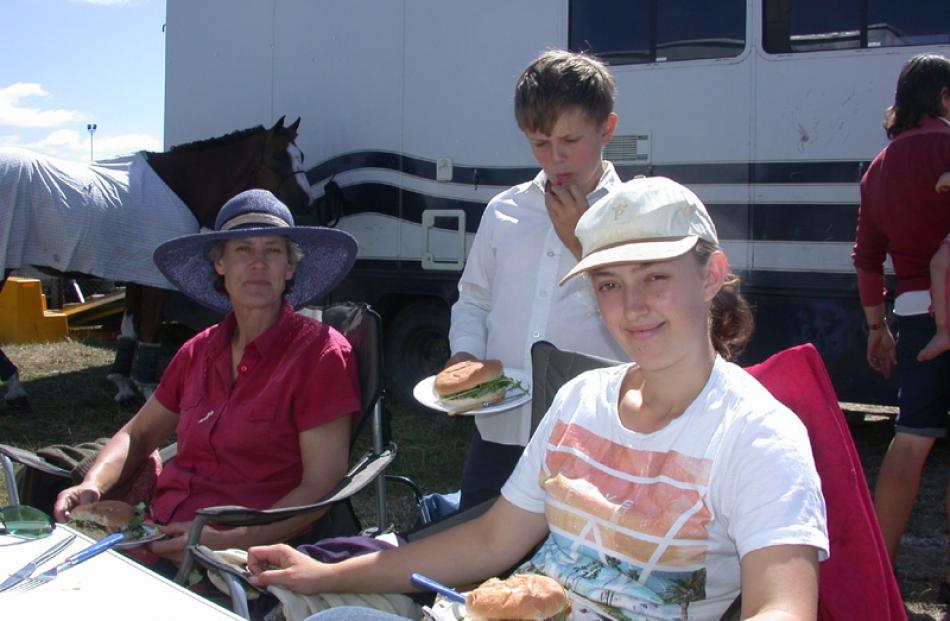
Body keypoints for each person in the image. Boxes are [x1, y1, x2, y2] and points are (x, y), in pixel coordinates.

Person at [247, 177, 828, 621]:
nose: (631, 308)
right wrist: (323, 572)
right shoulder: (581, 400)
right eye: (608, 284)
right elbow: (491, 539)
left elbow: (783, 606)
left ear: (710, 276)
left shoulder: (755, 433)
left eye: (655, 277)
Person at [53, 189, 362, 567]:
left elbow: (321, 484)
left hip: (242, 556)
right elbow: (138, 434)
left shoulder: (320, 354)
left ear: (290, 268)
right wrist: (93, 484)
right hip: (153, 530)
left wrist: (231, 540)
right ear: (220, 265)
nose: (258, 264)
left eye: (273, 251)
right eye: (243, 250)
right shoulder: (197, 351)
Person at [446, 49, 628, 511]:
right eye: (540, 143)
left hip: (594, 439)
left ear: (606, 128)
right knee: (477, 559)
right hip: (500, 430)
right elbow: (475, 298)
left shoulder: (634, 215)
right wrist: (464, 354)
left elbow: (642, 319)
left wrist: (581, 244)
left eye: (570, 140)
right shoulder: (504, 211)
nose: (556, 158)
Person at [851, 52, 950, 598]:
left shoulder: (880, 168)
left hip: (912, 313)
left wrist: (875, 328)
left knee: (910, 440)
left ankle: (878, 574)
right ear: (942, 97)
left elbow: (868, 258)